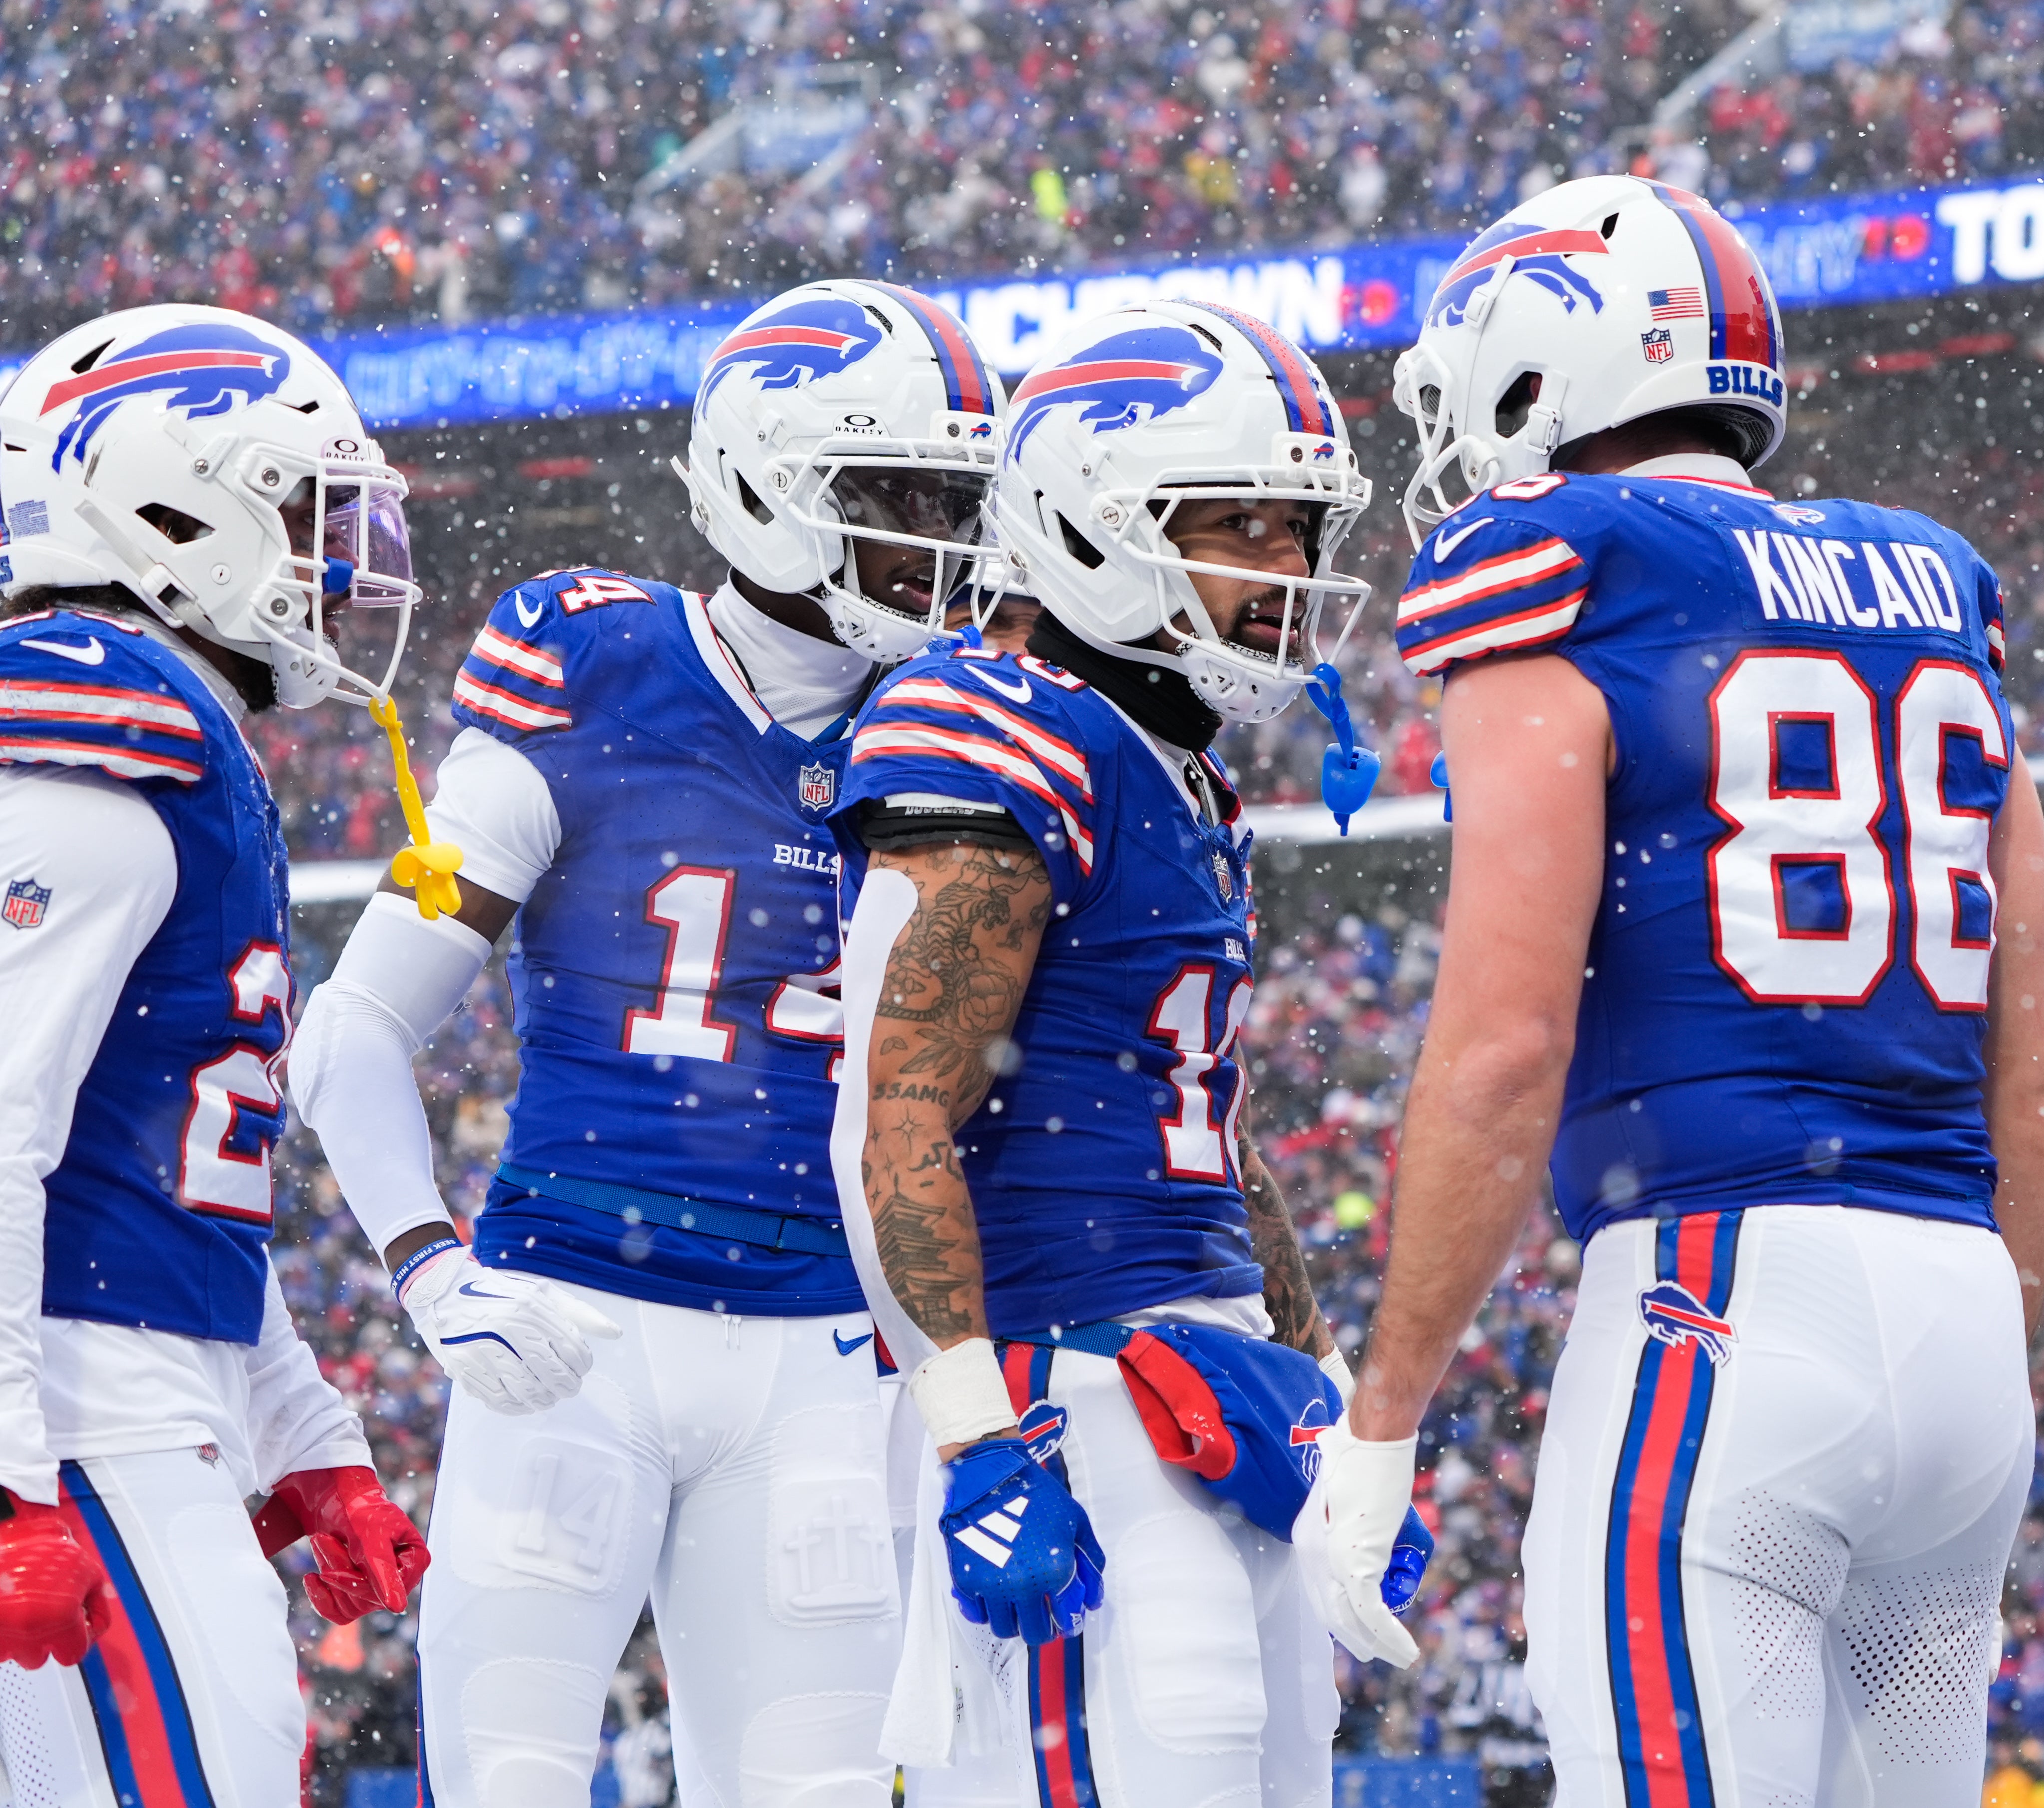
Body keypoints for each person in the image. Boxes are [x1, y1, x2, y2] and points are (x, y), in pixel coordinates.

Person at [1298, 174, 2044, 1808]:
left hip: (1720, 1305)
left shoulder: (1559, 558)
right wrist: (1976, 1347)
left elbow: (1506, 1047)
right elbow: (2041, 1078)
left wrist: (1382, 1427)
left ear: (1538, 373)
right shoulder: (1938, 583)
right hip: (1958, 1312)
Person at [284, 277, 1003, 1807]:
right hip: (568, 1334)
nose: (939, 541)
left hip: (823, 1360)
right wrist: (426, 1263)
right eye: (897, 495)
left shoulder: (955, 735)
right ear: (764, 489)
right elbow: (348, 1029)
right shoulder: (597, 668)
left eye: (956, 498)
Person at [831, 297, 1391, 1806]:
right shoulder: (996, 724)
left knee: (1276, 1774)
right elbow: (890, 1116)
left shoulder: (1169, 758)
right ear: (1093, 522)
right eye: (1240, 527)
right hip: (1063, 1382)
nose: (1284, 572)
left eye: (1297, 530)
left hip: (1212, 1376)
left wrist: (1323, 1377)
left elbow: (1202, 1113)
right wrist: (973, 1434)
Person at [0, 303, 430, 1800]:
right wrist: (11, 1471)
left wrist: (306, 1427)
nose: (341, 555)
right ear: (168, 501)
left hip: (132, 1391)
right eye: (305, 509)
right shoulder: (102, 714)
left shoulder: (185, 733)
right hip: (75, 1407)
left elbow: (172, 1175)